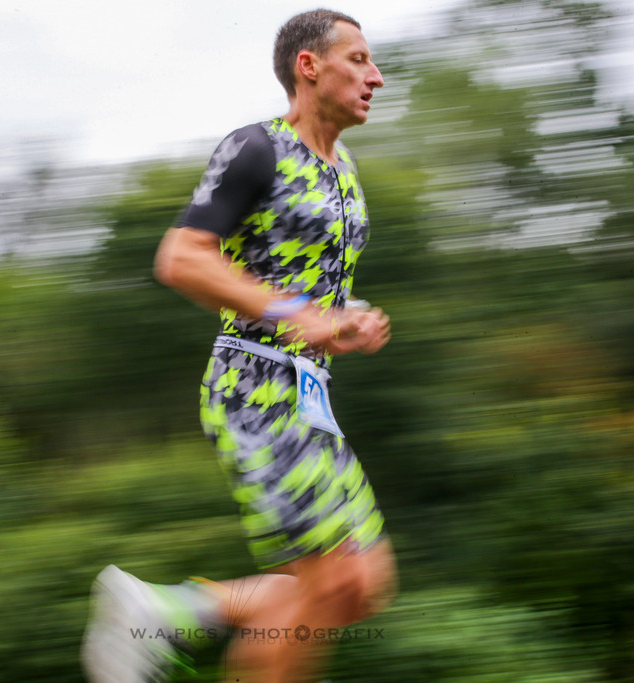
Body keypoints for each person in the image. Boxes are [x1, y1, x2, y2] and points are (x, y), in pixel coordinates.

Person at [82, 9, 397, 682]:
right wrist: (302, 316)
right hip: (254, 387)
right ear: (309, 67)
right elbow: (183, 258)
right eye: (360, 60)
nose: (376, 76)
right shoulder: (257, 147)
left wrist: (343, 326)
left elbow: (309, 302)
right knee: (324, 581)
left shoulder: (345, 170)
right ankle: (163, 609)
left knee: (360, 584)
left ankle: (170, 608)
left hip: (309, 396)